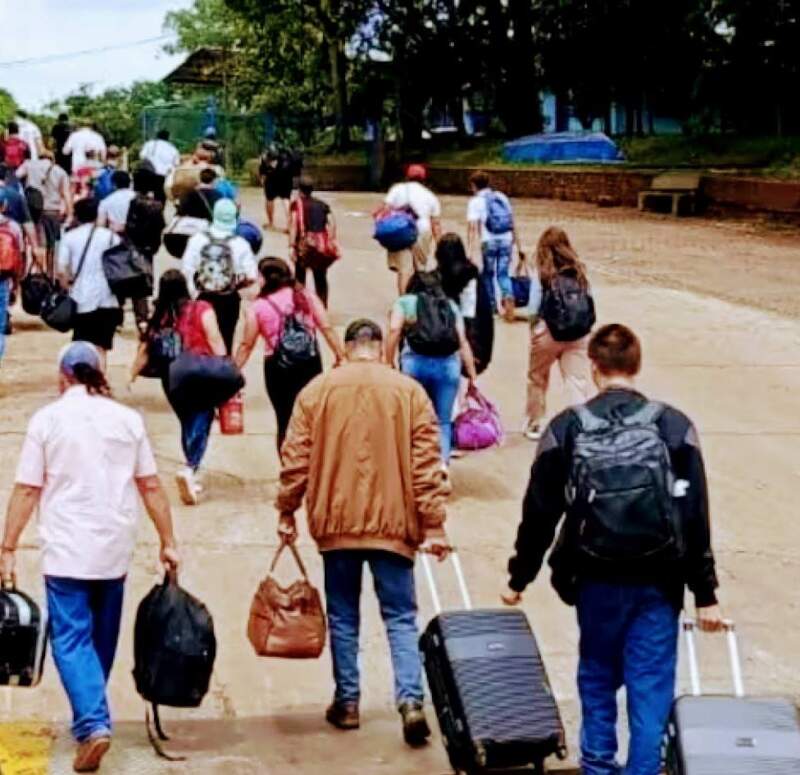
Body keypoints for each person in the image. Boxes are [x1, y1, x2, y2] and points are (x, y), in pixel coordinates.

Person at [503, 323, 723, 775]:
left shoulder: (567, 428)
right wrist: (705, 593)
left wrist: (519, 576)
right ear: (636, 366)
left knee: (598, 677)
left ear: (595, 367)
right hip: (660, 582)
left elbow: (540, 511)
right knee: (650, 689)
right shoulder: (674, 426)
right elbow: (694, 513)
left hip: (595, 579)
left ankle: (598, 767)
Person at [0, 341, 180, 774]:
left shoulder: (48, 420)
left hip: (67, 549)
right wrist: (168, 539)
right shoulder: (126, 420)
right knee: (100, 637)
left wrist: (7, 546)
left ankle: (93, 721)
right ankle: (91, 715)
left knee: (69, 639)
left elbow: (28, 489)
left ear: (63, 376)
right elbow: (151, 485)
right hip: (114, 547)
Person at [276, 318, 451, 746]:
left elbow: (295, 458)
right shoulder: (409, 393)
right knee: (400, 617)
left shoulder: (317, 391)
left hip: (336, 525)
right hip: (394, 526)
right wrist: (435, 523)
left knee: (343, 615)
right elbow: (426, 464)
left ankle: (348, 702)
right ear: (380, 348)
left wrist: (286, 509)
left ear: (347, 347)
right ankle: (411, 701)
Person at [130, 270, 227, 506]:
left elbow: (145, 347)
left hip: (171, 377)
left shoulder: (161, 316)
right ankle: (191, 467)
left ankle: (190, 469)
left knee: (188, 420)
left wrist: (131, 374)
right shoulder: (201, 308)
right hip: (199, 371)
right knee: (202, 418)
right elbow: (214, 339)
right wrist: (225, 366)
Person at [235, 258, 345, 452]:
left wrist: (233, 370)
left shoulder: (258, 306)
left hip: (278, 368)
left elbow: (246, 345)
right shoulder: (305, 296)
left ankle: (288, 468)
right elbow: (326, 327)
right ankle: (312, 462)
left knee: (284, 418)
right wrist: (340, 355)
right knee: (310, 416)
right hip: (310, 363)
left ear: (265, 278)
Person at [386, 271, 478, 483]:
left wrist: (387, 361)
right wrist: (472, 374)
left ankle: (413, 465)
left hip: (415, 365)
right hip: (448, 366)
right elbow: (462, 341)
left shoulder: (406, 302)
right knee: (443, 421)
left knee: (412, 418)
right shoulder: (450, 305)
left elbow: (393, 331)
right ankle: (441, 464)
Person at [524, 226, 594, 441]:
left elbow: (533, 307)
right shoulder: (579, 271)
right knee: (576, 379)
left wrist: (534, 328)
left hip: (548, 331)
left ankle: (535, 422)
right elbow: (589, 300)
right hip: (578, 332)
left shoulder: (542, 273)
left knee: (537, 377)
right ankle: (580, 423)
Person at [181, 198, 257, 354]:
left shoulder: (197, 240)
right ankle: (222, 371)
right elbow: (251, 276)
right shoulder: (240, 243)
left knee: (200, 339)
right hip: (229, 299)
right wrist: (235, 284)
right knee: (226, 338)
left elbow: (186, 269)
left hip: (202, 297)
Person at [56, 198, 122, 362]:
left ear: (77, 216)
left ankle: (84, 381)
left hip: (81, 298)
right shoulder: (112, 238)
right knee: (102, 347)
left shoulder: (70, 238)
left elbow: (61, 270)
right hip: (108, 299)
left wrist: (66, 288)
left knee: (82, 345)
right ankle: (100, 380)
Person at [435, 233, 494, 376]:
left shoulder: (441, 277)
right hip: (472, 339)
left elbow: (469, 317)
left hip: (458, 338)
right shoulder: (472, 276)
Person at [467, 171, 519, 322]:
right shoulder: (501, 197)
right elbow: (512, 221)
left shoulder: (476, 201)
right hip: (506, 240)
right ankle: (508, 295)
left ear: (473, 185)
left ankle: (492, 307)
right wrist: (517, 243)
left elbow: (472, 227)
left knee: (487, 274)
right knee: (503, 274)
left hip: (488, 241)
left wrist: (470, 250)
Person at [384, 164, 442, 295]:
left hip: (400, 231)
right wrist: (440, 244)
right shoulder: (430, 196)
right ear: (423, 179)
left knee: (404, 270)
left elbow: (386, 210)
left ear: (407, 177)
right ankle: (418, 301)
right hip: (422, 231)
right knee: (420, 269)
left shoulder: (397, 189)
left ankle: (403, 304)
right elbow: (436, 224)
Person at [16, 150, 71, 277]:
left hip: (32, 210)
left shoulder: (29, 165)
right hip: (52, 210)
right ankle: (50, 274)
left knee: (32, 242)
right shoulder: (60, 171)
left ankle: (30, 272)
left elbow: (16, 176)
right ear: (52, 159)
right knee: (53, 245)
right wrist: (70, 212)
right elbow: (66, 193)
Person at [288, 176, 337, 307]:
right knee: (320, 277)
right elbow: (332, 223)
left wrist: (291, 245)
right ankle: (322, 306)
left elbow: (293, 225)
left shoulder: (296, 204)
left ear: (299, 190)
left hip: (303, 244)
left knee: (300, 276)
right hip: (321, 244)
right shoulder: (322, 205)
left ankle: (300, 306)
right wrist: (330, 240)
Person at [0, 190, 24, 365]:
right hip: (3, 279)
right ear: (4, 206)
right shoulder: (13, 227)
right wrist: (16, 282)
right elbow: (18, 256)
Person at [139, 130, 180, 204]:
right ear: (168, 138)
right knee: (159, 199)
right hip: (161, 177)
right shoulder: (173, 149)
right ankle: (158, 212)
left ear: (157, 136)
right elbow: (176, 163)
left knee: (143, 197)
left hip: (147, 174)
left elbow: (142, 156)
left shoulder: (149, 144)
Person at [258, 147, 290, 230]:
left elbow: (262, 174)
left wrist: (263, 182)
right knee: (286, 200)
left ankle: (271, 223)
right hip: (285, 180)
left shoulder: (265, 159)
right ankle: (290, 225)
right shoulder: (284, 158)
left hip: (271, 180)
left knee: (269, 200)